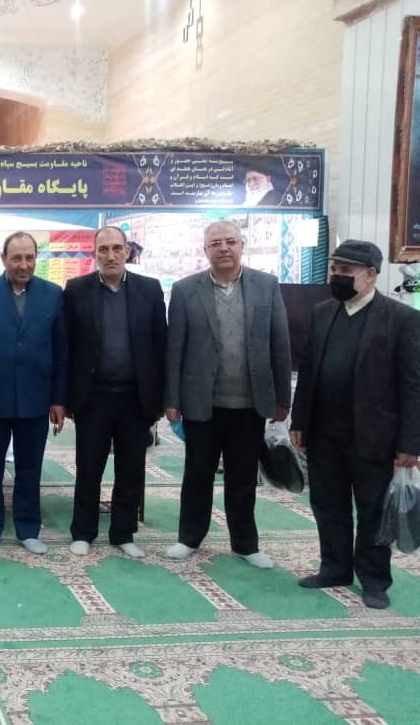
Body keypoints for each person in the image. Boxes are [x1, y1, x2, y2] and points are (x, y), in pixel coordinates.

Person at [290, 240, 420, 609]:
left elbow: (413, 385)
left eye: (346, 271)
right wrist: (300, 420)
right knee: (327, 505)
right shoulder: (323, 312)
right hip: (324, 433)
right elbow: (309, 371)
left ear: (371, 275)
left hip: (374, 436)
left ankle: (374, 580)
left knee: (372, 510)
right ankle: (334, 568)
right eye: (335, 269)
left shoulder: (401, 319)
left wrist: (410, 442)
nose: (337, 276)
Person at [164, 220, 291, 567]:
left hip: (250, 403)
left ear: (241, 246)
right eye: (215, 243)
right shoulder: (186, 290)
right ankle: (189, 538)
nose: (223, 248)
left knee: (243, 477)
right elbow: (175, 348)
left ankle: (246, 544)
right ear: (205, 250)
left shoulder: (266, 286)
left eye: (230, 241)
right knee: (197, 475)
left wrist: (282, 399)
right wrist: (172, 400)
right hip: (202, 401)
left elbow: (280, 344)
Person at [64, 227, 167, 558]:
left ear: (127, 252)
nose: (110, 255)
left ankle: (123, 533)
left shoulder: (149, 289)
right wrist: (65, 397)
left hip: (136, 398)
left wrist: (162, 398)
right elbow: (67, 346)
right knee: (88, 467)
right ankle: (83, 532)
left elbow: (160, 344)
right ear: (94, 253)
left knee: (131, 468)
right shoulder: (76, 290)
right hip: (93, 396)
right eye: (103, 249)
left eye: (116, 249)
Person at [0, 232, 66, 555]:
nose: (24, 265)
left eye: (29, 258)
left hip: (37, 398)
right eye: (17, 258)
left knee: (29, 468)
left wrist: (58, 399)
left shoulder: (53, 294)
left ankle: (28, 527)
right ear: (4, 259)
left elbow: (61, 350)